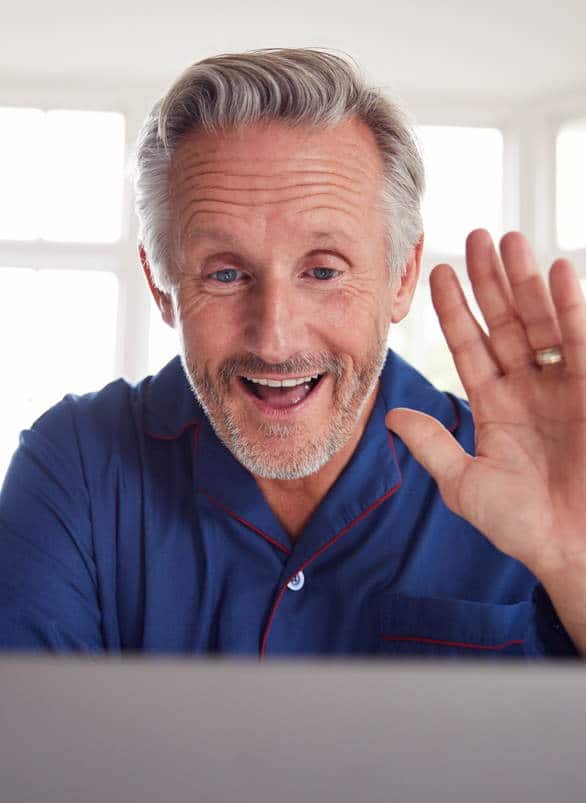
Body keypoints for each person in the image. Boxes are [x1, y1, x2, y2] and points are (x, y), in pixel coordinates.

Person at [0, 48, 583, 658]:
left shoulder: (525, 475)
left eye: (324, 271)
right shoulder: (77, 467)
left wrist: (577, 567)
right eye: (225, 274)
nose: (275, 339)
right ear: (161, 285)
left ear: (401, 276)